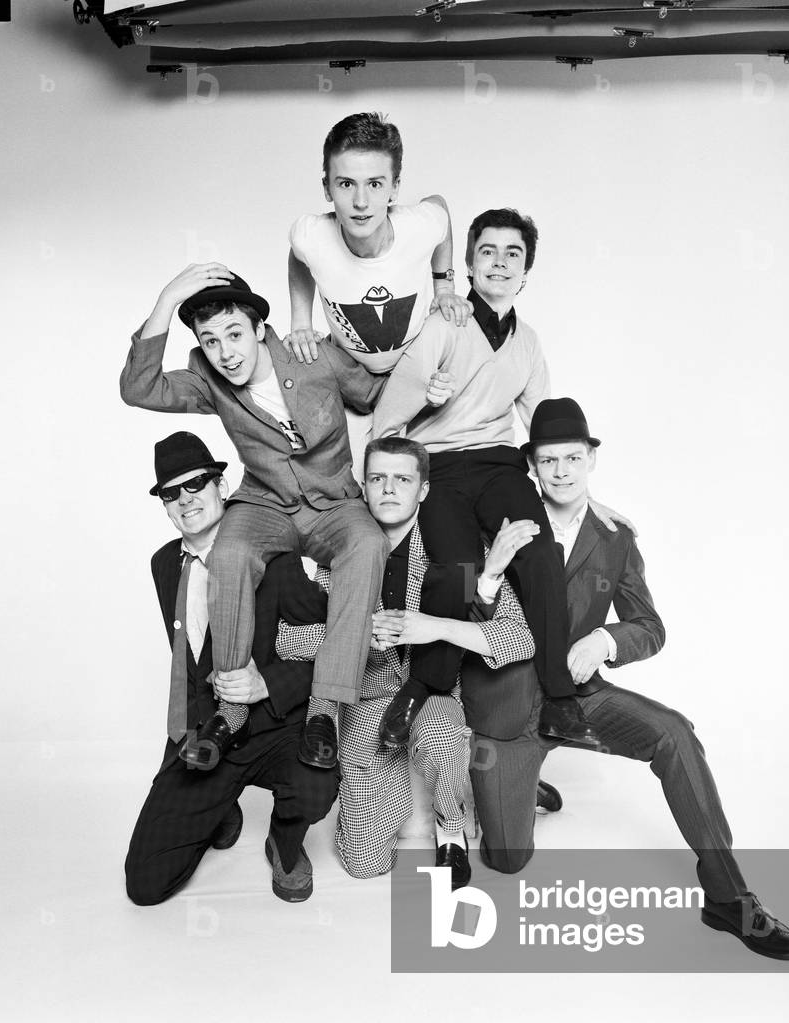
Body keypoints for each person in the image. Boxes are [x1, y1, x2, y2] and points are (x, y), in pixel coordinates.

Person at [463, 397, 789, 960]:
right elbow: (456, 615)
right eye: (548, 461)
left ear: (591, 459)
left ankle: (729, 897)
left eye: (572, 459)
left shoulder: (616, 538)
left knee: (674, 733)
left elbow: (650, 627)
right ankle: (523, 782)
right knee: (506, 859)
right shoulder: (497, 519)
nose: (561, 472)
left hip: (580, 697)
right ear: (531, 465)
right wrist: (489, 574)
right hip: (507, 708)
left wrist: (606, 640)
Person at [121, 266, 441, 771]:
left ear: (259, 329)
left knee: (367, 546)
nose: (225, 353)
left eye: (234, 334)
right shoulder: (207, 378)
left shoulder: (312, 355)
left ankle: (325, 709)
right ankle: (230, 709)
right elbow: (139, 388)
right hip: (264, 503)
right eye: (210, 341)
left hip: (335, 502)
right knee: (229, 553)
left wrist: (430, 384)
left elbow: (376, 392)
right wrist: (168, 298)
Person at [372, 208, 625, 750]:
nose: (501, 263)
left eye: (514, 254)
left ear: (526, 272)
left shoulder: (527, 341)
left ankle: (559, 699)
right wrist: (402, 462)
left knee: (540, 556)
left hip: (499, 465)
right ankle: (421, 688)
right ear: (469, 264)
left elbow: (546, 430)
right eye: (488, 251)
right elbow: (388, 422)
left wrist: (587, 499)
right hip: (440, 464)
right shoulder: (444, 325)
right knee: (458, 569)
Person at [275, 437, 535, 890]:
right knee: (363, 863)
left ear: (423, 489)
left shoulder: (456, 548)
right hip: (366, 704)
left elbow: (519, 638)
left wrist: (435, 627)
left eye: (402, 479)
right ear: (364, 487)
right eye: (378, 478)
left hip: (433, 695)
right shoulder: (336, 557)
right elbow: (287, 639)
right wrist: (359, 635)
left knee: (442, 738)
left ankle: (450, 827)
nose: (389, 489)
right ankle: (391, 801)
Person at [124, 431, 338, 905]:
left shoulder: (277, 561)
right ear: (164, 506)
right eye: (171, 493)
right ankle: (222, 807)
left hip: (273, 727)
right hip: (207, 731)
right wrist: (184, 739)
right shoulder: (164, 564)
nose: (185, 499)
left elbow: (336, 643)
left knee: (316, 784)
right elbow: (188, 662)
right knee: (145, 885)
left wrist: (268, 684)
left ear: (221, 486)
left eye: (195, 484)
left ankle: (284, 840)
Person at [285, 110, 471, 370]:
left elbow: (438, 205)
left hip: (414, 368)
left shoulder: (419, 227)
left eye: (374, 184)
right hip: (349, 371)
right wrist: (301, 323)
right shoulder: (311, 237)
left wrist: (444, 288)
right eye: (346, 184)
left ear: (394, 187)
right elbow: (298, 255)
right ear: (327, 188)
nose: (361, 202)